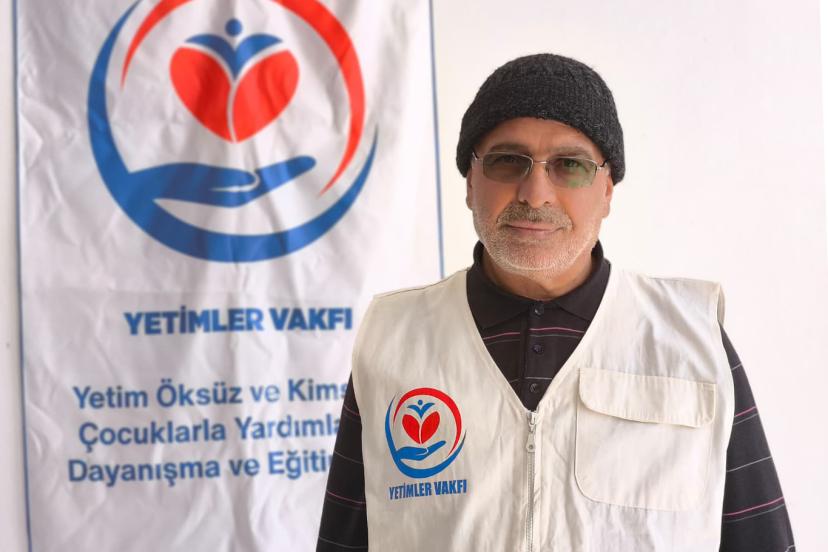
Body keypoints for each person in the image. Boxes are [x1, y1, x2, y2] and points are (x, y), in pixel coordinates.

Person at [317, 54, 795, 551]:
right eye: (507, 161)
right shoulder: (393, 339)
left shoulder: (692, 339)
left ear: (607, 191)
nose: (535, 194)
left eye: (570, 165)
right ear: (470, 183)